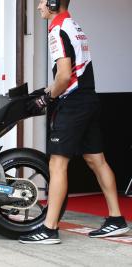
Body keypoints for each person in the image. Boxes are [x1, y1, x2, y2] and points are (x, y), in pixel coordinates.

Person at [19, 0, 130, 244]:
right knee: (96, 159)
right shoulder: (74, 25)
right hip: (89, 99)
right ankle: (116, 219)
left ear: (53, 3)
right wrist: (47, 91)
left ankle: (49, 228)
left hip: (73, 104)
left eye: (41, 2)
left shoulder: (57, 29)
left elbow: (64, 75)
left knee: (57, 164)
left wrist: (47, 98)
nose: (38, 6)